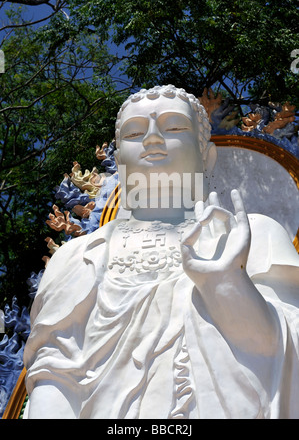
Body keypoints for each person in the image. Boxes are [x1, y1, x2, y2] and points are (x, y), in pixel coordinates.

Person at [23, 85, 299, 419]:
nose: (153, 138)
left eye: (174, 127)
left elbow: (284, 355)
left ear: (206, 155)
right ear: (119, 158)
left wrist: (227, 286)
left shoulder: (252, 234)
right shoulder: (77, 258)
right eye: (135, 132)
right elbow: (53, 378)